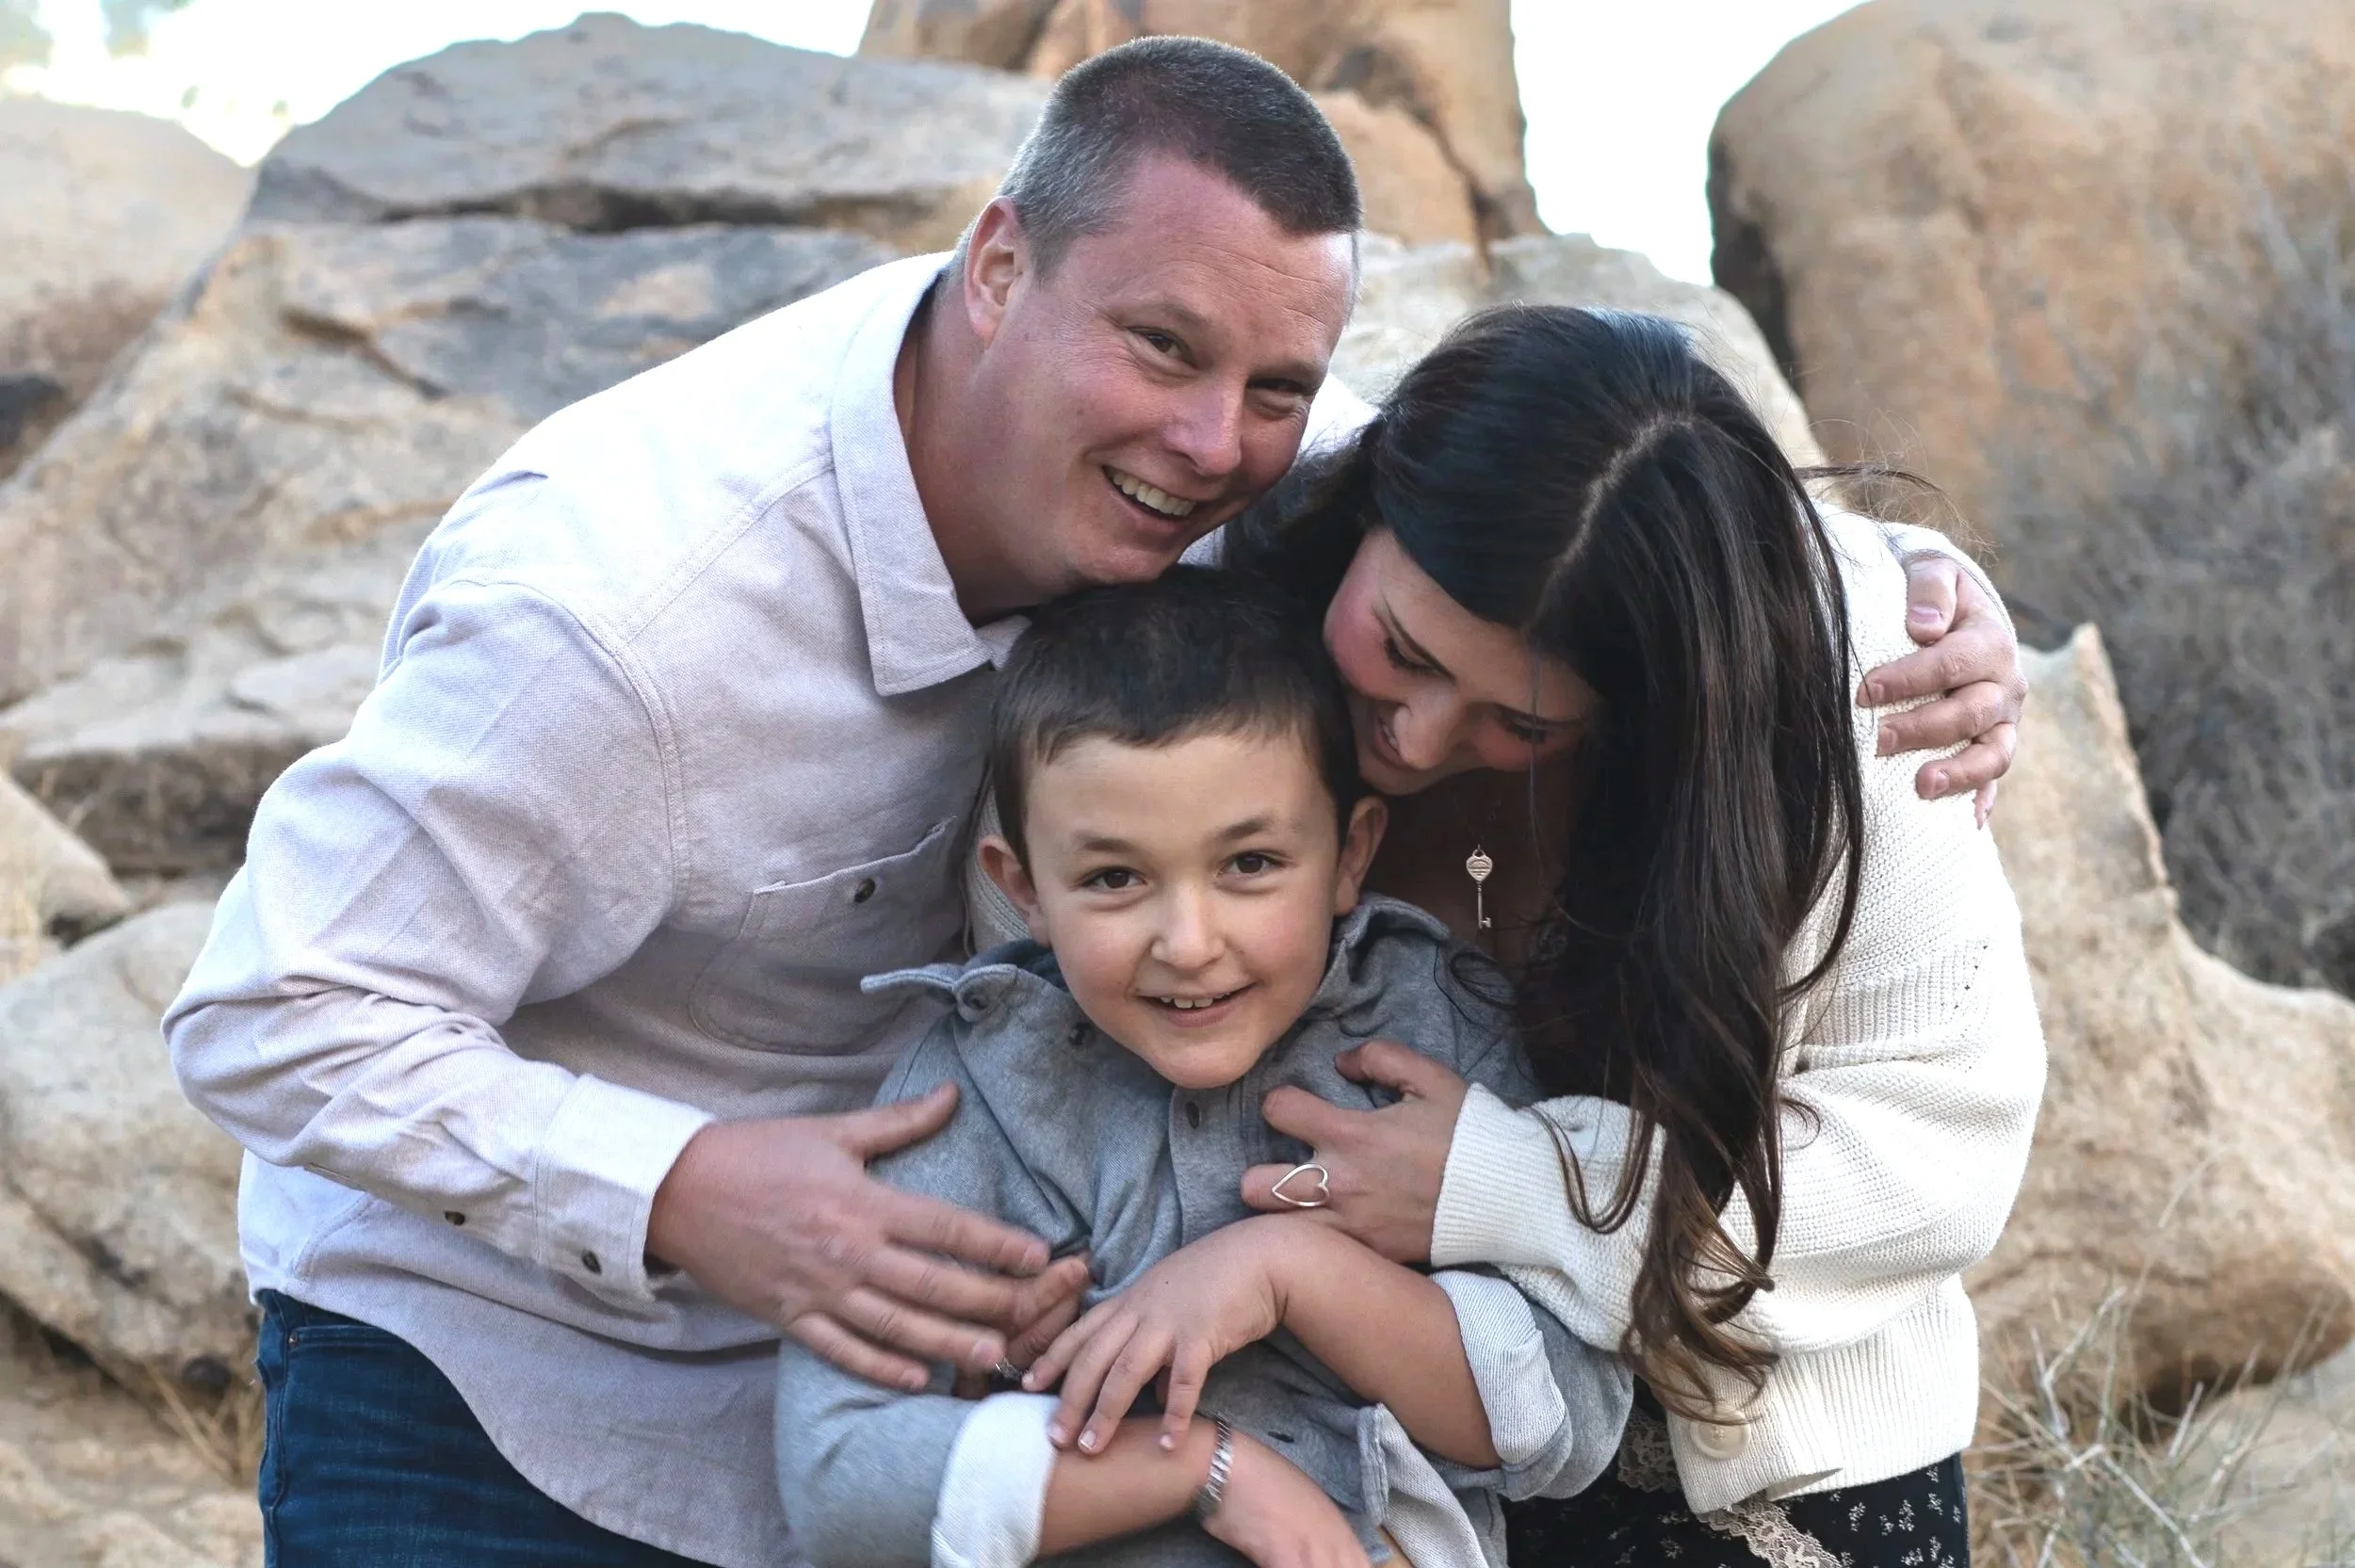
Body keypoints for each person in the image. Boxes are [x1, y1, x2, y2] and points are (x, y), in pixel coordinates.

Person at [164, 34, 2026, 1568]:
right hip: (508, 1386)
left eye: (1272, 391)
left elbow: (1616, 511)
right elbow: (270, 1005)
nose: (1212, 448)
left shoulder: (1250, 490)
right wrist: (685, 1187)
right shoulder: (620, 618)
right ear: (994, 266)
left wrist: (1926, 583)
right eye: (1158, 350)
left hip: (970, 1388)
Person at [1165, 306, 2043, 1568]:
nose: (1412, 736)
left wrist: (1515, 1187)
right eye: (1402, 651)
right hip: (1343, 1436)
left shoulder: (1865, 702)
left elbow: (1934, 1164)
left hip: (1758, 1460)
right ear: (1369, 505)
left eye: (1517, 724)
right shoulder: (1225, 611)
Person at [777, 568, 1630, 1568]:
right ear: (1025, 889)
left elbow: (1568, 1423)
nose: (1187, 942)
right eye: (1113, 878)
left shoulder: (1433, 1031)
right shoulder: (977, 1087)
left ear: (1351, 855)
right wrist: (1210, 1470)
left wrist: (1289, 1272)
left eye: (1249, 865)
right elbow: (837, 1477)